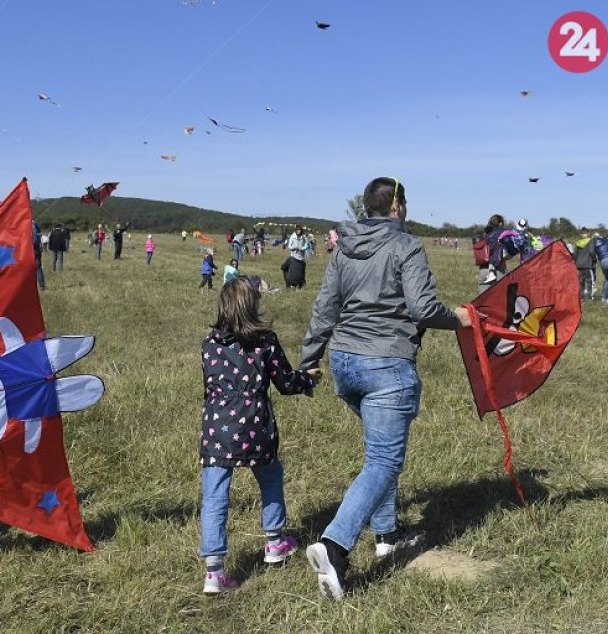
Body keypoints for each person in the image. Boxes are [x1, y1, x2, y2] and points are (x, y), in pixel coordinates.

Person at [299, 177, 473, 602]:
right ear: (397, 205)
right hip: (385, 366)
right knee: (383, 460)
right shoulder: (406, 245)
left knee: (380, 454)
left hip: (345, 364)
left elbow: (325, 306)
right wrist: (458, 319)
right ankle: (335, 546)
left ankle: (387, 535)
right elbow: (422, 307)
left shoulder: (344, 246)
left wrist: (309, 358)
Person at [199, 277, 320, 593]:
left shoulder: (209, 343)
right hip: (256, 424)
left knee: (214, 496)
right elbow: (286, 382)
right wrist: (308, 379)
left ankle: (214, 571)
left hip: (216, 428)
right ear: (252, 305)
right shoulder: (265, 341)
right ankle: (275, 542)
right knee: (270, 477)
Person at [476, 214, 507, 294]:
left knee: (483, 298)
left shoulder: (484, 234)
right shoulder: (502, 233)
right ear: (500, 223)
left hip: (483, 268)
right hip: (499, 268)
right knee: (501, 296)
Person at [574, 227, 597, 301]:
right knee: (589, 281)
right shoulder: (591, 241)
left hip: (578, 265)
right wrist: (594, 260)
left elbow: (575, 255)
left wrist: (575, 263)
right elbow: (592, 251)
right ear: (588, 233)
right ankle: (589, 297)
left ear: (581, 234)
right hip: (587, 264)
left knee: (581, 281)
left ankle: (581, 297)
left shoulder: (578, 243)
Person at [594, 232, 608, 304]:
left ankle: (604, 298)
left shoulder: (596, 243)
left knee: (607, 279)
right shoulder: (606, 240)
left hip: (602, 262)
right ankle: (605, 298)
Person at [32, 219, 46, 290]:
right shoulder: (35, 226)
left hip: (31, 249)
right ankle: (41, 285)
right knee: (38, 268)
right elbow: (37, 237)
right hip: (35, 249)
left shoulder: (28, 226)